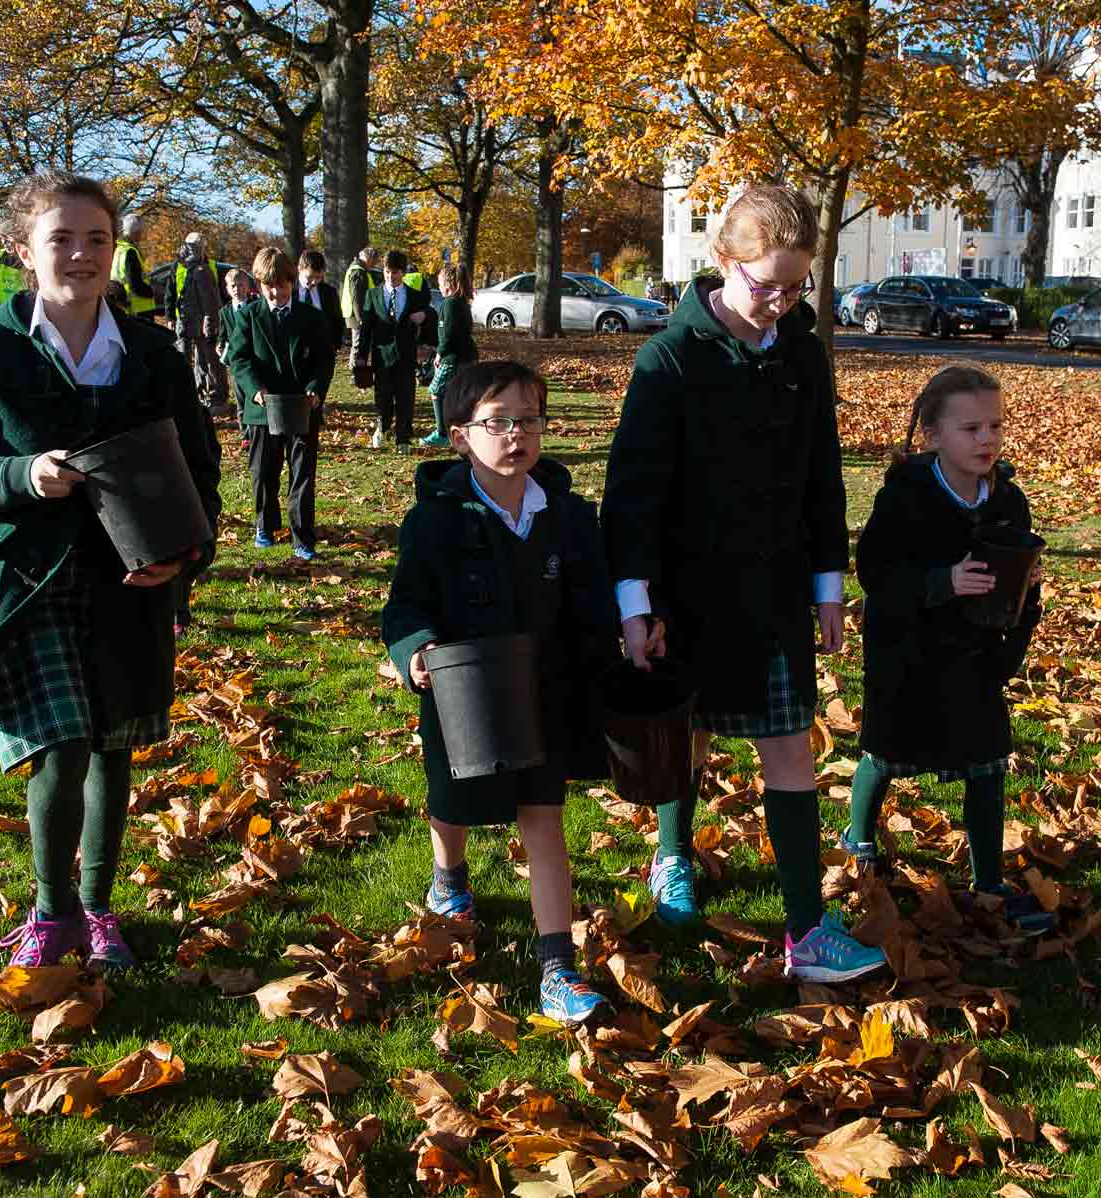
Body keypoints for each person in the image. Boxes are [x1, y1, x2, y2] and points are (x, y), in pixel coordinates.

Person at [0, 170, 221, 970]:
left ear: (115, 253)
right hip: (28, 583)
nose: (81, 254)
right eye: (62, 239)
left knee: (113, 744)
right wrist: (21, 475)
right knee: (61, 747)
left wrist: (184, 560)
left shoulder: (151, 351)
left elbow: (200, 469)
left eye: (97, 240)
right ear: (23, 252)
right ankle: (52, 916)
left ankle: (99, 908)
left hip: (132, 585)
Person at [601, 185, 885, 985]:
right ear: (723, 264)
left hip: (774, 592)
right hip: (683, 595)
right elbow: (632, 494)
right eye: (767, 286)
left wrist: (829, 583)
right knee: (683, 738)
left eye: (798, 288)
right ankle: (671, 855)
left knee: (789, 748)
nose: (782, 303)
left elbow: (823, 474)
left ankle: (806, 930)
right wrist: (635, 604)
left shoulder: (801, 350)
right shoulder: (670, 358)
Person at [382, 359, 618, 1026]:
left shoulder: (568, 517)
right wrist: (415, 651)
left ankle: (557, 969)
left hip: (544, 695)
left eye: (530, 420)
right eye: (499, 422)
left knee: (544, 821)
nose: (517, 434)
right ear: (460, 436)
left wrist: (616, 654)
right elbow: (404, 609)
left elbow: (592, 604)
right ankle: (449, 876)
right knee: (453, 803)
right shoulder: (434, 522)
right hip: (465, 699)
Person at [844, 363, 1053, 936]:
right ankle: (859, 837)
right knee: (886, 753)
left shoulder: (1007, 500)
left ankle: (988, 880)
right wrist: (943, 582)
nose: (986, 439)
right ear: (933, 435)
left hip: (977, 658)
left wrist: (1024, 595)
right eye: (970, 429)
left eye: (995, 426)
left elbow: (1022, 567)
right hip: (907, 655)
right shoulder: (906, 498)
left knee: (987, 764)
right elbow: (876, 573)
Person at [224, 246, 334, 562]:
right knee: (263, 473)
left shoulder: (311, 318)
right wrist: (254, 388)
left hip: (302, 407)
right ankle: (265, 526)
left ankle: (302, 536)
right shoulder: (248, 316)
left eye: (281, 286)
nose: (275, 293)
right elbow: (239, 358)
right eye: (268, 286)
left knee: (302, 474)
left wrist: (316, 389)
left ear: (291, 283)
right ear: (259, 285)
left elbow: (324, 361)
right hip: (262, 408)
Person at [355, 249, 431, 449]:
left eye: (395, 272)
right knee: (383, 395)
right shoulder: (373, 295)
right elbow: (366, 328)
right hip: (382, 355)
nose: (390, 276)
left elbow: (431, 315)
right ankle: (383, 426)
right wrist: (361, 355)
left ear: (403, 273)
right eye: (387, 272)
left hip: (406, 355)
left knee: (406, 397)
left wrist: (423, 315)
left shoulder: (414, 296)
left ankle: (403, 438)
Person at [173, 232, 228, 419]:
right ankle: (204, 396)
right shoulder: (191, 270)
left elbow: (210, 304)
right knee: (200, 364)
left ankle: (217, 399)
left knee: (211, 362)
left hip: (202, 328)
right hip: (191, 326)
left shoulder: (202, 272)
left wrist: (209, 327)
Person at [423, 264, 476, 449]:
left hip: (454, 358)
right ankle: (465, 432)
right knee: (460, 395)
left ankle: (442, 434)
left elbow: (447, 335)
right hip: (467, 355)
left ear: (447, 284)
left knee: (436, 391)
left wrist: (440, 354)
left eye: (439, 283)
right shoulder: (461, 302)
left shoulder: (450, 304)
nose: (438, 287)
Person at [340, 246, 381, 389]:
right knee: (357, 343)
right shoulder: (358, 271)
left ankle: (356, 372)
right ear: (369, 258)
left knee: (357, 343)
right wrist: (361, 318)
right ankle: (355, 373)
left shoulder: (358, 269)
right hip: (356, 314)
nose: (374, 265)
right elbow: (357, 297)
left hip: (355, 313)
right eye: (374, 261)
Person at [295, 249, 343, 366]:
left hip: (322, 356)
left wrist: (334, 347)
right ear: (299, 269)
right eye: (309, 277)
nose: (313, 282)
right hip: (294, 354)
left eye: (318, 277)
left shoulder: (329, 292)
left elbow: (337, 320)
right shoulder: (288, 291)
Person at [112, 212, 158, 319]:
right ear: (136, 231)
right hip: (139, 309)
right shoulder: (130, 252)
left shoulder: (118, 249)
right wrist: (151, 292)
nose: (143, 234)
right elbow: (135, 284)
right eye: (142, 231)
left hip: (124, 305)